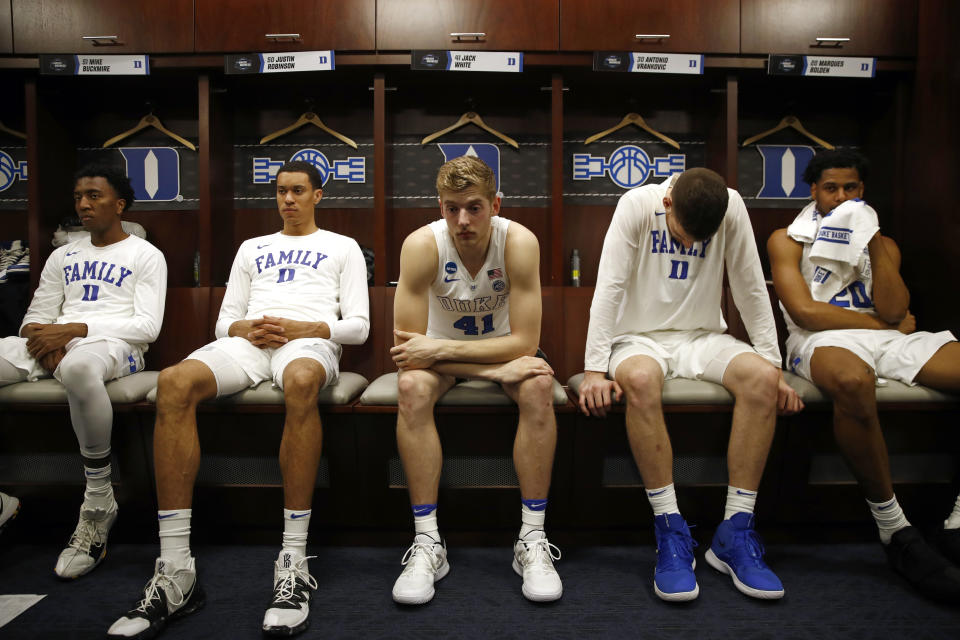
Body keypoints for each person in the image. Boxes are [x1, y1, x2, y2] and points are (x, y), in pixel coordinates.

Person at [107, 161, 370, 638]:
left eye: (297, 191)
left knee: (303, 380)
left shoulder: (342, 246)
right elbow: (222, 322)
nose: (287, 199)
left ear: (317, 196)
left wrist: (302, 328)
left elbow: (358, 326)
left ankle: (292, 560)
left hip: (307, 344)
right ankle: (174, 569)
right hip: (250, 345)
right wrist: (244, 328)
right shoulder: (253, 247)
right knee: (172, 383)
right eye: (280, 191)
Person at [579, 168, 803, 602]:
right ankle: (669, 529)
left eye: (701, 240)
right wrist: (593, 369)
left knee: (759, 378)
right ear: (667, 205)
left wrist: (773, 366)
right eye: (683, 235)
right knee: (641, 380)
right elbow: (609, 287)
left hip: (702, 336)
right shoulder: (637, 205)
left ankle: (735, 532)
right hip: (637, 337)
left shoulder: (732, 206)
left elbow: (750, 287)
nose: (690, 246)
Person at [767, 149, 960, 602]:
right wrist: (885, 325)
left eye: (850, 189)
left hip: (886, 338)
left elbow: (895, 306)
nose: (840, 197)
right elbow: (805, 312)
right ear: (812, 191)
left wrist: (869, 235)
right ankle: (896, 530)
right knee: (852, 382)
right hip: (818, 341)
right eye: (830, 188)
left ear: (862, 191)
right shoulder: (788, 240)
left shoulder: (884, 243)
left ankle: (956, 521)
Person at [389, 155, 562, 604]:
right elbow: (409, 355)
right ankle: (428, 541)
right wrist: (489, 369)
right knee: (410, 388)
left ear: (496, 204)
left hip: (482, 349)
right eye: (451, 208)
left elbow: (525, 342)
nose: (462, 220)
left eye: (474, 207)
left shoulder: (519, 242)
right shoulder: (421, 245)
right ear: (439, 206)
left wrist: (446, 350)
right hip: (442, 361)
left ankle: (531, 538)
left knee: (539, 386)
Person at [0, 165, 167, 577]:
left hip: (116, 345)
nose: (83, 205)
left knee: (78, 367)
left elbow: (147, 326)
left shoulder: (144, 254)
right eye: (79, 197)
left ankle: (97, 502)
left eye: (94, 196)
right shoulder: (63, 254)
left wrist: (76, 330)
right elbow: (34, 316)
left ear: (120, 204)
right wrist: (45, 341)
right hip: (55, 344)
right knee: (64, 361)